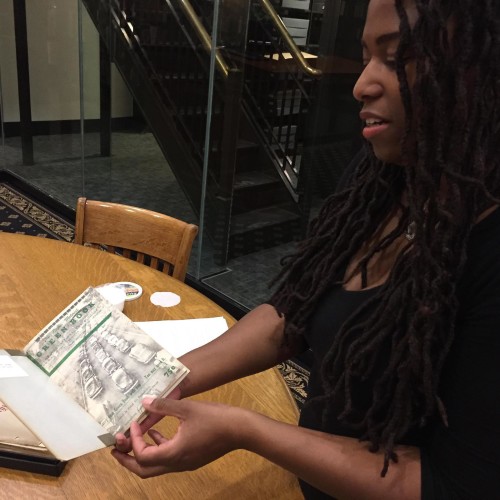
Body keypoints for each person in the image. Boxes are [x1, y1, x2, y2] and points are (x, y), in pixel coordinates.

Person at [112, 0, 500, 497]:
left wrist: (243, 429)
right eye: (366, 57)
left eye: (397, 56)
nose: (362, 85)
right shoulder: (383, 174)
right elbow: (294, 311)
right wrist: (169, 382)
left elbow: (451, 482)